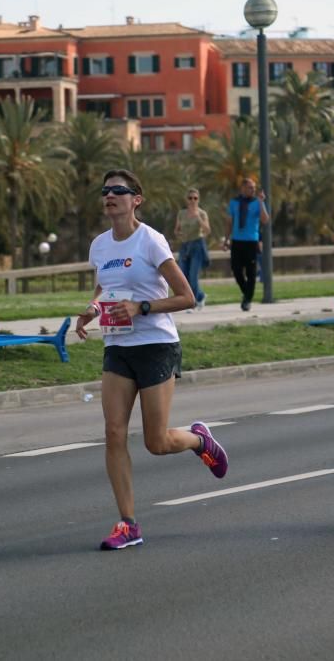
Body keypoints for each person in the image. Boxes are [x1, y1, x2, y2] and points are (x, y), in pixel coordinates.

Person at [75, 168, 229, 551]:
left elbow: (186, 296)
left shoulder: (151, 241)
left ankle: (200, 442)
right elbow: (106, 284)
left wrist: (141, 306)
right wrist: (93, 308)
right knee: (113, 432)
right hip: (117, 346)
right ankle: (128, 524)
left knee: (156, 442)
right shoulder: (100, 245)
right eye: (106, 190)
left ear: (135, 200)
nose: (110, 195)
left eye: (118, 190)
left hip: (157, 344)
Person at [223, 177, 269, 311]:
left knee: (251, 272)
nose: (253, 190)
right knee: (236, 270)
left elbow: (265, 220)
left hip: (251, 241)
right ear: (242, 188)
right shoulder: (234, 203)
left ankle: (247, 300)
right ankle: (247, 293)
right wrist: (226, 240)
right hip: (237, 241)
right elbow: (229, 223)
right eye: (250, 187)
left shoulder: (257, 202)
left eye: (254, 188)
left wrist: (261, 202)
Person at [173, 188, 211, 311]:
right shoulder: (181, 213)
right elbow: (176, 230)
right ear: (187, 200)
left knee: (193, 276)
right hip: (185, 246)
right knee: (184, 276)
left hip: (197, 245)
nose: (193, 200)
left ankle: (192, 303)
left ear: (198, 199)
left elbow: (207, 230)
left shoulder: (202, 213)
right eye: (190, 198)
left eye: (195, 198)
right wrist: (179, 236)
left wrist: (198, 218)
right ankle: (200, 296)